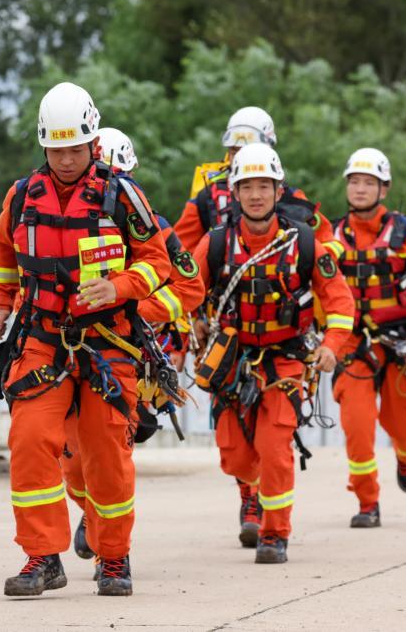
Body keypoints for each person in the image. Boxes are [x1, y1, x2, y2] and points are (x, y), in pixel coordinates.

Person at [0, 83, 172, 597]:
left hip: (109, 342)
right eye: (56, 148)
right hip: (41, 338)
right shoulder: (22, 195)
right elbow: (3, 249)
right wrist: (2, 302)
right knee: (28, 442)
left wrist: (119, 286)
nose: (65, 158)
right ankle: (42, 557)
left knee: (106, 454)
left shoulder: (122, 194)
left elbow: (157, 262)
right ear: (44, 146)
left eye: (75, 148)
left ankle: (114, 558)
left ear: (93, 144)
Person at [192, 143, 355, 564]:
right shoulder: (214, 245)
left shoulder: (303, 244)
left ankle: (274, 534)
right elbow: (182, 290)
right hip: (231, 361)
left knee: (275, 446)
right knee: (236, 459)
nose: (257, 194)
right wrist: (184, 324)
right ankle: (254, 491)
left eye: (265, 185)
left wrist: (332, 348)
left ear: (278, 190)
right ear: (236, 191)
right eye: (248, 186)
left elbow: (339, 302)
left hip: (285, 358)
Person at [60, 127, 205, 566]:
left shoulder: (155, 228)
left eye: (115, 175)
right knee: (71, 462)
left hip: (125, 354)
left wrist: (141, 307)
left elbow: (190, 287)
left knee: (110, 453)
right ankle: (93, 516)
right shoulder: (54, 219)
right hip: (65, 351)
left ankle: (111, 545)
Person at [330, 148, 406, 528]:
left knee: (401, 421)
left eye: (369, 182)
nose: (361, 189)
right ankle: (368, 502)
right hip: (354, 343)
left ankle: (405, 456)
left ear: (384, 189)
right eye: (355, 182)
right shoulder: (332, 235)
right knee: (357, 422)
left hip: (404, 340)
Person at [174, 106, 335, 252]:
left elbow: (328, 244)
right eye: (234, 151)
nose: (240, 157)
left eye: (247, 150)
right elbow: (180, 255)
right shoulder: (206, 200)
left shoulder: (293, 200)